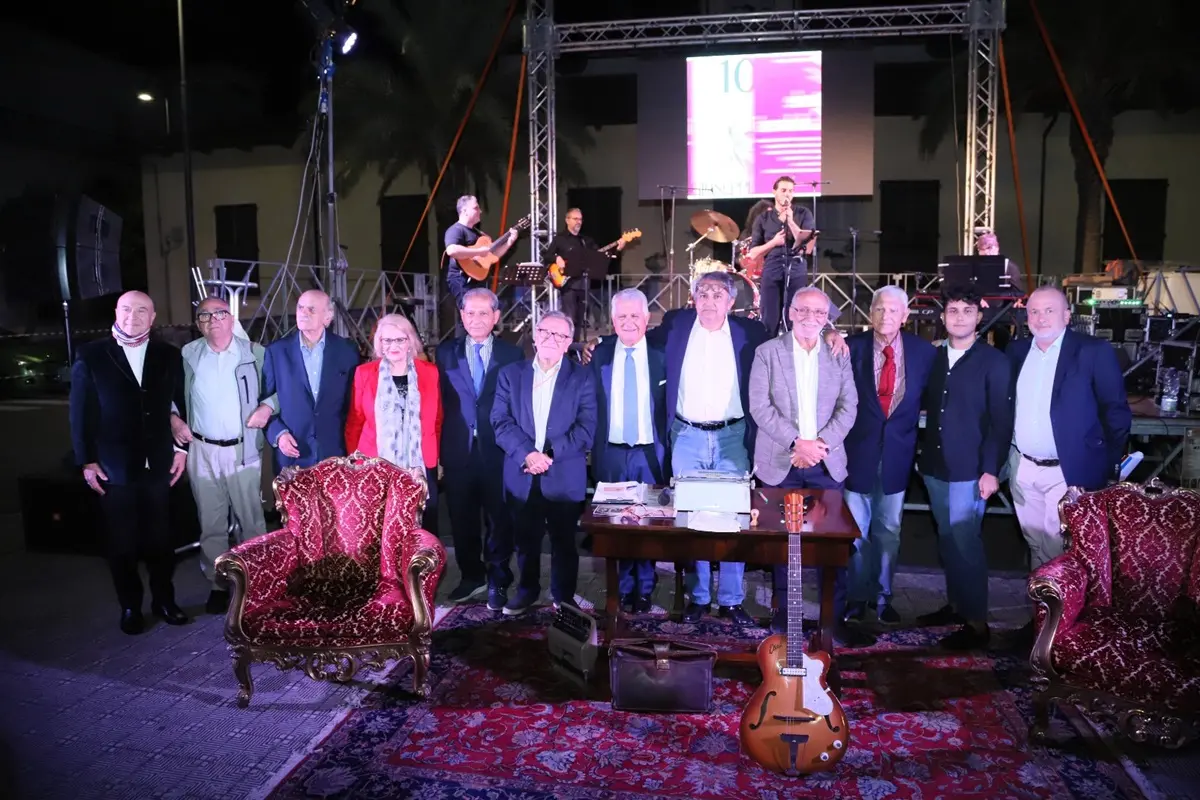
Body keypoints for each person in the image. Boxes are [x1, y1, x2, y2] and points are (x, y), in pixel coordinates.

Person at [648, 271, 769, 625]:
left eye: (718, 294)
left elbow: (789, 344)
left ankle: (731, 600)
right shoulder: (677, 324)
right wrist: (601, 344)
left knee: (735, 518)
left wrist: (830, 334)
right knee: (691, 517)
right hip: (686, 435)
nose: (710, 300)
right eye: (703, 293)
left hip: (733, 436)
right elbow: (637, 334)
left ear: (732, 302)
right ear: (693, 299)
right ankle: (699, 598)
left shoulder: (752, 332)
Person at [68, 291, 190, 634]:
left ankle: (165, 601)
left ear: (153, 317)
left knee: (162, 541)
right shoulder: (91, 355)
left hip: (159, 466)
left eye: (141, 311)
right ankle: (130, 607)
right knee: (121, 545)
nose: (133, 316)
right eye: (126, 309)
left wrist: (181, 452)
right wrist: (86, 461)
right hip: (114, 467)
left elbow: (178, 406)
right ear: (116, 312)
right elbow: (80, 414)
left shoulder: (168, 355)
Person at [748, 287, 861, 641]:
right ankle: (784, 616)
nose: (811, 317)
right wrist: (797, 443)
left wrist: (819, 447)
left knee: (833, 545)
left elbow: (849, 405)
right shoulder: (767, 353)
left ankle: (833, 617)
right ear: (791, 313)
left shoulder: (838, 352)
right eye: (804, 311)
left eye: (819, 312)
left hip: (826, 464)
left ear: (827, 317)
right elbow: (759, 406)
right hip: (780, 462)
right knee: (783, 545)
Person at [1007, 286, 1131, 572]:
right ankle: (1045, 611)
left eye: (1049, 310)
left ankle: (1062, 612)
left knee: (1060, 547)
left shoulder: (1092, 351)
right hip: (1022, 468)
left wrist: (1104, 462)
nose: (1041, 318)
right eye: (1034, 312)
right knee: (1036, 544)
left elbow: (1116, 411)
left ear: (1066, 315)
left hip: (1067, 472)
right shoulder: (1016, 352)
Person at [916, 286, 1012, 650]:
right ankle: (956, 607)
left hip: (971, 471)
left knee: (966, 542)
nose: (959, 317)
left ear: (978, 317)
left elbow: (1001, 421)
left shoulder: (994, 362)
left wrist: (991, 470)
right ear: (942, 318)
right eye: (952, 310)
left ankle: (977, 624)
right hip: (935, 467)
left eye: (966, 311)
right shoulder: (935, 358)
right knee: (948, 540)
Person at [492, 311, 597, 615]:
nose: (552, 339)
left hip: (563, 473)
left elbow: (587, 427)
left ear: (568, 344)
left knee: (564, 541)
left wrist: (550, 455)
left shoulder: (582, 377)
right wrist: (528, 454)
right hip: (521, 470)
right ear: (535, 336)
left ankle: (563, 597)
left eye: (560, 335)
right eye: (546, 332)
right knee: (525, 539)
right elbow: (500, 421)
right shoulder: (510, 374)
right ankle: (527, 591)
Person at [842, 286, 936, 626]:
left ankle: (883, 598)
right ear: (871, 312)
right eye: (880, 309)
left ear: (905, 316)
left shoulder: (924, 353)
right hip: (857, 454)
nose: (885, 316)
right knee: (855, 532)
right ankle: (855, 598)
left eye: (893, 311)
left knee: (889, 531)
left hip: (898, 455)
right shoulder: (849, 348)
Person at [170, 296, 271, 615]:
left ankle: (258, 583)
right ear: (198, 323)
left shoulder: (254, 353)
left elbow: (278, 390)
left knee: (250, 521)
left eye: (220, 314)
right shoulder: (188, 354)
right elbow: (172, 395)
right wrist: (173, 419)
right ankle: (217, 583)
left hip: (242, 450)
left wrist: (269, 407)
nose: (213, 320)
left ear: (231, 318)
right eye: (205, 316)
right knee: (210, 523)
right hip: (202, 449)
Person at [435, 288, 525, 607]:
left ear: (496, 317)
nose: (476, 319)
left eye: (483, 313)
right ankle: (471, 577)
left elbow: (519, 406)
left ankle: (498, 579)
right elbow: (438, 405)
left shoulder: (512, 355)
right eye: (469, 313)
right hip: (458, 451)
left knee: (500, 520)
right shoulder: (445, 353)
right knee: (462, 519)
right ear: (461, 316)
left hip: (499, 452)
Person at [590, 288, 668, 614]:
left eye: (635, 315)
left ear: (647, 319)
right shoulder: (601, 354)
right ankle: (622, 589)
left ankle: (646, 588)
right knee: (616, 523)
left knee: (647, 522)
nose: (629, 322)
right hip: (611, 452)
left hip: (650, 454)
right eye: (622, 316)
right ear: (612, 320)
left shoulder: (663, 355)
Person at [345, 314, 442, 533]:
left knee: (423, 531)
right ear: (379, 344)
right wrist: (356, 464)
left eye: (400, 339)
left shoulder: (430, 372)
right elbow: (355, 421)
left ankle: (421, 567)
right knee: (382, 530)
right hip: (375, 465)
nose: (393, 346)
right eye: (387, 340)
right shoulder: (364, 373)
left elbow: (437, 419)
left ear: (410, 342)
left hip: (420, 466)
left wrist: (436, 458)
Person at [249, 290, 359, 469]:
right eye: (300, 308)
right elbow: (266, 401)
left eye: (311, 309)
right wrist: (278, 434)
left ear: (327, 317)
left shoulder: (347, 351)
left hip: (335, 455)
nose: (303, 313)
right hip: (293, 456)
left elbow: (353, 404)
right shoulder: (277, 352)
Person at [746, 176, 818, 337]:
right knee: (769, 319)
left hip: (796, 270)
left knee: (794, 318)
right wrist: (773, 242)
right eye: (783, 190)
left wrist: (791, 221)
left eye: (791, 191)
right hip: (772, 272)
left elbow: (807, 243)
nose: (787, 195)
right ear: (774, 192)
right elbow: (753, 253)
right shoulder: (763, 218)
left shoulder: (803, 213)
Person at [542, 208, 626, 341]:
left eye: (580, 219)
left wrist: (618, 248)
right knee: (569, 318)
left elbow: (600, 256)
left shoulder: (586, 241)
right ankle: (567, 347)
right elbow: (547, 256)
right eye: (575, 219)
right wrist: (556, 258)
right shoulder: (560, 239)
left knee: (580, 319)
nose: (578, 222)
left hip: (583, 284)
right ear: (567, 220)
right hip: (568, 285)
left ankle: (575, 346)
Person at [443, 195, 520, 310]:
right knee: (468, 314)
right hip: (461, 278)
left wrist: (509, 242)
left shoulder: (479, 233)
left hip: (477, 279)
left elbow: (492, 256)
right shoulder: (456, 230)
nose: (480, 211)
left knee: (480, 313)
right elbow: (452, 250)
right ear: (464, 211)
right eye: (476, 208)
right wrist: (478, 251)